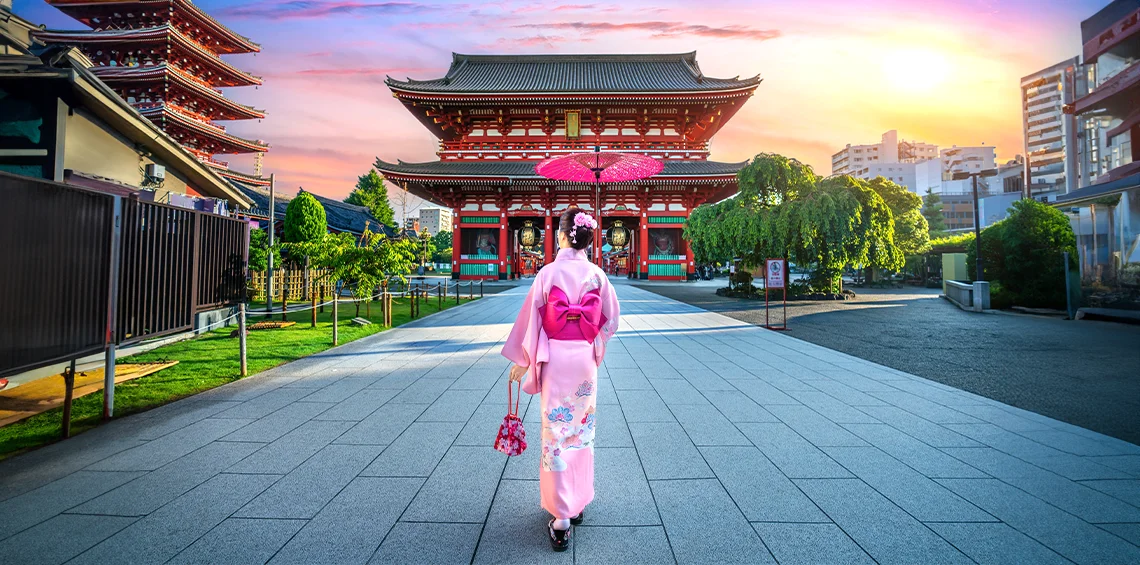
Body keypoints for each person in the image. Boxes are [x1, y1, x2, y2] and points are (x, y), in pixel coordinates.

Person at [501, 208, 620, 552]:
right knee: (581, 431)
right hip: (583, 360)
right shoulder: (597, 275)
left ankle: (561, 519)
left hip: (554, 360)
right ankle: (577, 501)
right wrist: (593, 342)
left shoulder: (547, 273)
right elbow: (611, 320)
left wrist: (525, 361)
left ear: (566, 236)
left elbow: (531, 322)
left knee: (555, 432)